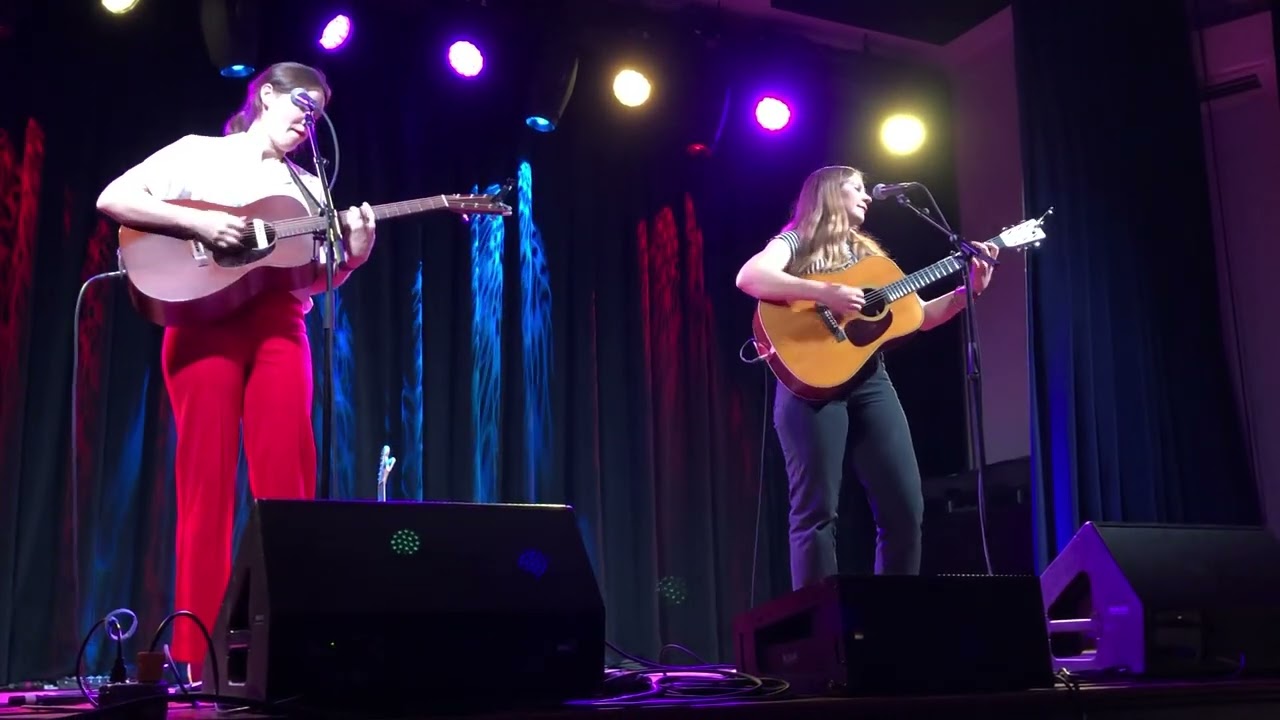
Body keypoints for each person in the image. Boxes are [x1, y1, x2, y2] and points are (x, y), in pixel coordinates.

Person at [95, 62, 377, 682]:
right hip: (201, 325)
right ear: (266, 96)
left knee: (289, 485)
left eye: (319, 112)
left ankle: (292, 650)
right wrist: (198, 221)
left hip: (280, 326)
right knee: (206, 490)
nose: (309, 120)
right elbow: (113, 198)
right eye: (302, 104)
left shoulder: (310, 187)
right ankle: (198, 660)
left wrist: (351, 260)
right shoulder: (200, 154)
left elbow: (307, 276)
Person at [734, 165, 997, 590]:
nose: (868, 196)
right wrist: (825, 292)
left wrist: (969, 291)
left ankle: (891, 626)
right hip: (811, 387)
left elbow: (920, 316)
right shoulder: (794, 240)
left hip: (871, 381)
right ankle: (818, 635)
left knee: (905, 509)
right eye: (856, 187)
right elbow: (749, 278)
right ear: (827, 194)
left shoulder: (873, 259)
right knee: (816, 514)